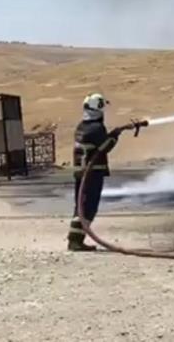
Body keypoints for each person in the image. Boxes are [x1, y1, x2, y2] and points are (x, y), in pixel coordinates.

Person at [67, 92, 128, 252]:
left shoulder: (82, 126)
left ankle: (75, 239)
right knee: (88, 208)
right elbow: (105, 147)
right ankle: (75, 242)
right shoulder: (97, 128)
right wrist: (114, 136)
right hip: (92, 174)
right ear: (99, 108)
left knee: (80, 205)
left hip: (81, 172)